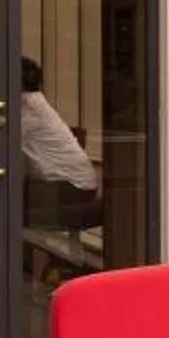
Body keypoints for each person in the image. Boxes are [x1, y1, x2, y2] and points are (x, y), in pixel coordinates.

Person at [21, 58, 102, 228]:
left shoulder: (26, 108)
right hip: (75, 184)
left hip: (71, 187)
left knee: (4, 205)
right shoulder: (34, 103)